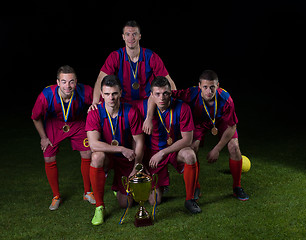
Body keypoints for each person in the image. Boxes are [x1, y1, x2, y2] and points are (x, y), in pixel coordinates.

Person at [171, 70, 249, 201]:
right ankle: (195, 186)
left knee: (234, 147)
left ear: (218, 86)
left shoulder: (226, 98)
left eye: (212, 87)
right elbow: (169, 94)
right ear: (199, 86)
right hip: (199, 123)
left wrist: (217, 149)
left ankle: (237, 187)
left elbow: (232, 127)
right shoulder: (191, 94)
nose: (209, 91)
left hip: (220, 122)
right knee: (192, 148)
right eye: (205, 87)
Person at [31, 65, 95, 210]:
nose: (68, 86)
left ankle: (87, 192)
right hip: (54, 124)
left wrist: (94, 107)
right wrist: (43, 137)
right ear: (58, 82)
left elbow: (99, 98)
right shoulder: (46, 95)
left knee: (87, 153)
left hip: (77, 122)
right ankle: (56, 196)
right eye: (64, 82)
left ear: (76, 82)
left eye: (71, 81)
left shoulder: (83, 90)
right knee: (48, 157)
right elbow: (35, 117)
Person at [136, 76, 201, 214]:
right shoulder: (142, 108)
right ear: (151, 95)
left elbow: (187, 140)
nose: (162, 98)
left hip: (173, 149)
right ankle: (161, 183)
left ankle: (190, 199)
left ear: (170, 93)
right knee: (154, 201)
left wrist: (163, 153)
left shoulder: (182, 107)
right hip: (153, 152)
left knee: (190, 155)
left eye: (165, 93)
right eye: (157, 94)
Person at [86, 75, 144, 226]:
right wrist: (121, 148)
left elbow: (139, 141)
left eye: (114, 93)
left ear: (121, 92)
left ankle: (116, 186)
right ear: (101, 94)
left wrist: (136, 167)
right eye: (106, 94)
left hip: (127, 159)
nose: (110, 98)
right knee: (97, 156)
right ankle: (99, 207)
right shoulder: (94, 112)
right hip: (108, 156)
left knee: (127, 204)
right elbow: (93, 145)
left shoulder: (131, 111)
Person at [92, 20, 176, 105]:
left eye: (134, 34)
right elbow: (100, 79)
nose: (131, 38)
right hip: (122, 103)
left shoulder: (151, 57)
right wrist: (94, 102)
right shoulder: (115, 56)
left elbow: (168, 81)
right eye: (128, 34)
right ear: (123, 37)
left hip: (147, 103)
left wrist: (175, 102)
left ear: (139, 36)